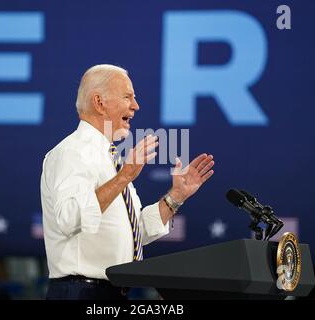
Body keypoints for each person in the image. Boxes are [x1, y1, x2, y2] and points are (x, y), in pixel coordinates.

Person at [40, 64, 215, 300]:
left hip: (110, 293)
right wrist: (125, 177)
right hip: (80, 292)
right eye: (127, 97)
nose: (136, 105)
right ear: (99, 102)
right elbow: (69, 219)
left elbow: (133, 234)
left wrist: (175, 198)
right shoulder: (72, 153)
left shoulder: (110, 157)